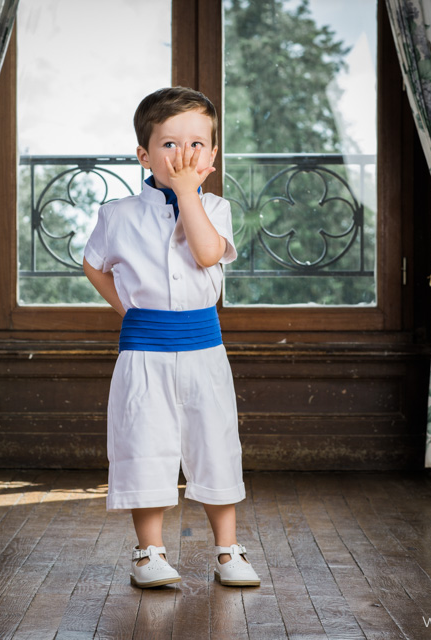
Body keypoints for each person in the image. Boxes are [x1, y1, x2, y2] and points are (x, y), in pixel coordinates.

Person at [82, 87, 260, 589]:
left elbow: (206, 255)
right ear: (143, 154)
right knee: (145, 445)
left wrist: (187, 195)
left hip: (204, 352)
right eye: (169, 145)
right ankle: (149, 553)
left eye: (198, 144)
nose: (184, 155)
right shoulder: (118, 215)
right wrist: (127, 308)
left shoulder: (217, 209)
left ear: (213, 155)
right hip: (144, 354)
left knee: (215, 443)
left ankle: (228, 550)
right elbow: (92, 265)